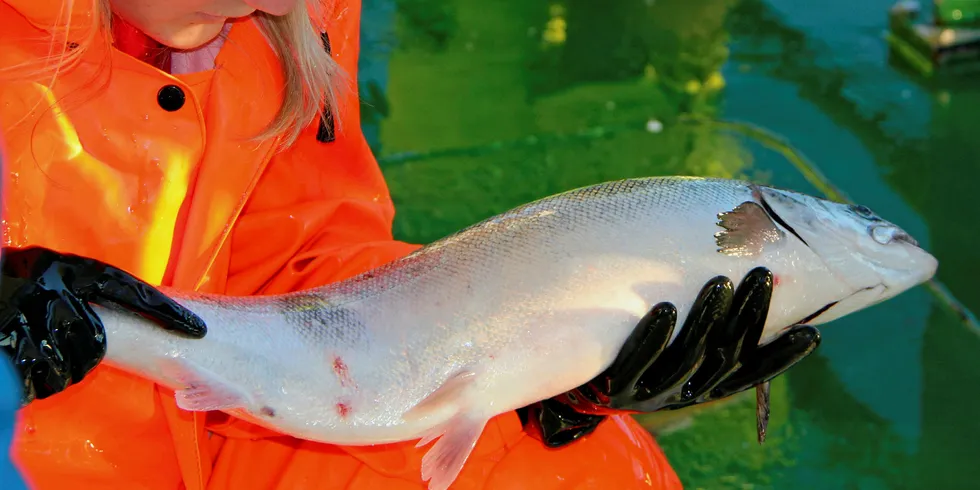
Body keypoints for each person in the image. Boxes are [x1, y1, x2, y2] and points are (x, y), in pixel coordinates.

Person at [0, 0, 821, 488]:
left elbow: (290, 251)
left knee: (565, 471)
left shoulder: (281, 13)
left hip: (205, 436)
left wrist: (530, 357)